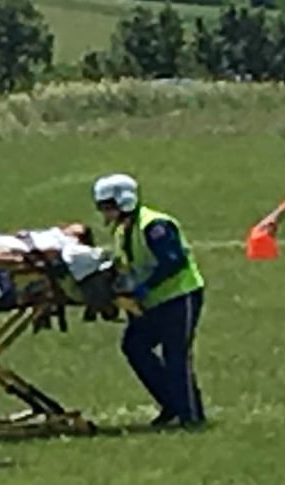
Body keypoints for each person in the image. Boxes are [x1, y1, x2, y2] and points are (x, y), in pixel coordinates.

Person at [92, 173, 206, 429]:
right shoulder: (123, 232)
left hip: (179, 296)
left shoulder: (155, 226)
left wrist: (146, 287)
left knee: (175, 355)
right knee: (135, 346)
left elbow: (173, 261)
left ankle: (191, 416)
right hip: (152, 301)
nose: (105, 213)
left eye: (108, 207)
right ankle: (171, 403)